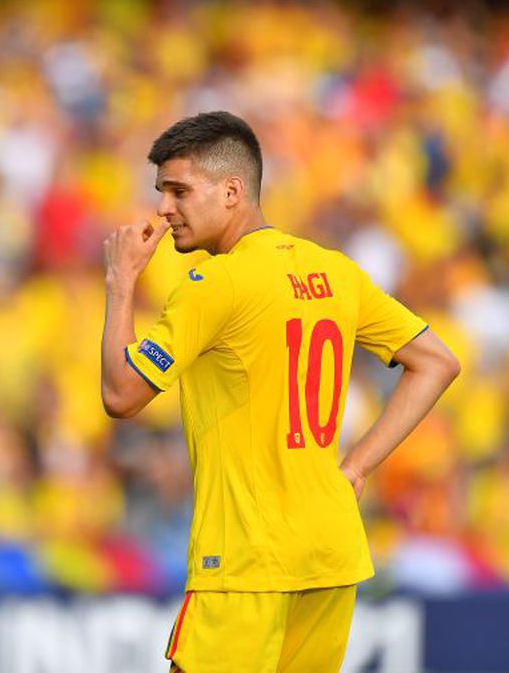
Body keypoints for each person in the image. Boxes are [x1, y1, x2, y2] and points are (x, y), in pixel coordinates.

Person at [100, 111, 460, 673]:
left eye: (178, 190)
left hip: (244, 562)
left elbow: (121, 394)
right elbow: (436, 361)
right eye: (160, 192)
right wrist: (358, 466)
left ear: (231, 191)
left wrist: (121, 283)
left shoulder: (215, 283)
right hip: (329, 555)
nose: (164, 208)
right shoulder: (335, 271)